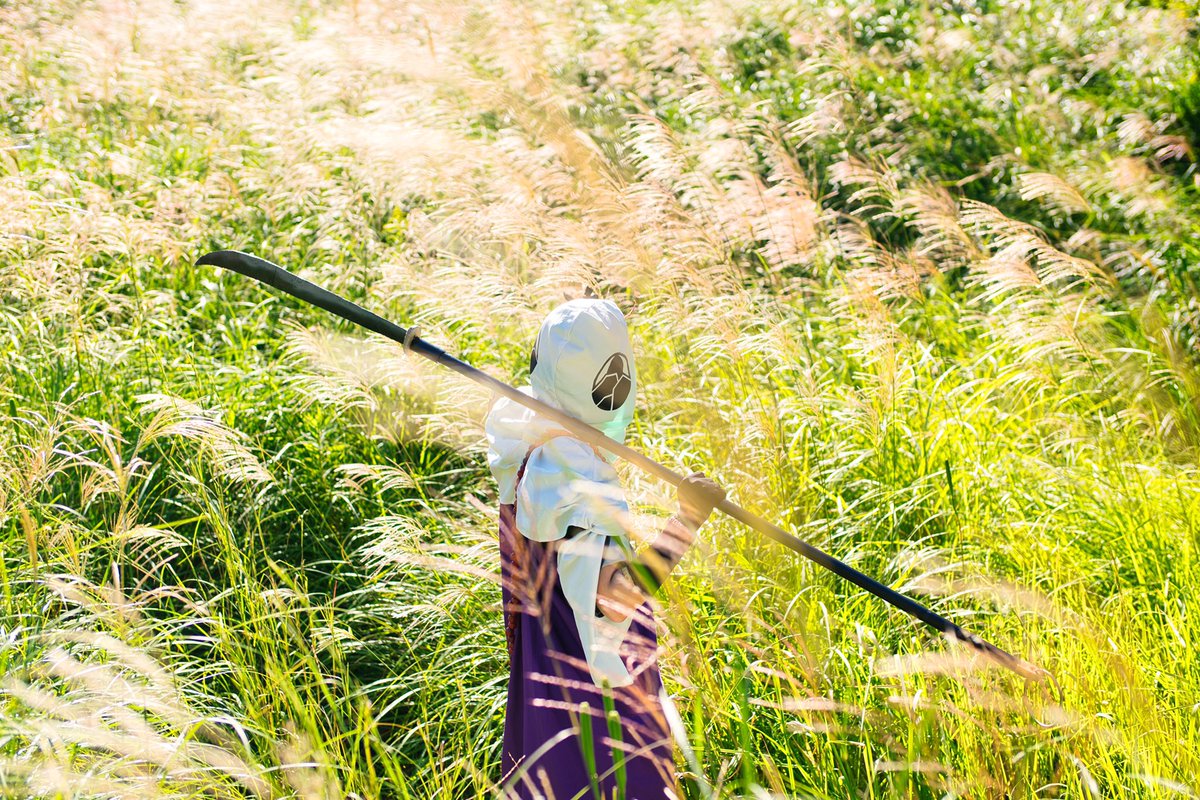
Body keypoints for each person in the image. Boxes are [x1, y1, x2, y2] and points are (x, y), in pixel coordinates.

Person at [485, 298, 725, 799]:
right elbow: (615, 596)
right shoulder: (572, 478)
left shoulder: (529, 440)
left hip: (547, 678)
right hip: (596, 707)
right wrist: (686, 522)